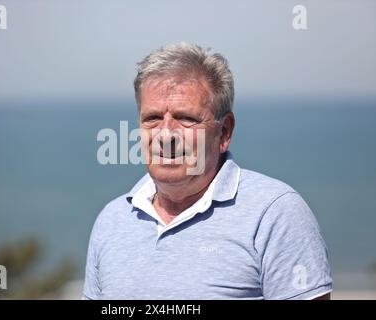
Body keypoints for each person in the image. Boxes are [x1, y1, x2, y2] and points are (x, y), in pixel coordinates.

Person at [83, 42, 332, 300]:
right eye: (152, 118)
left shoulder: (275, 213)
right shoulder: (112, 220)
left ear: (224, 131)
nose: (166, 134)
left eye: (186, 118)